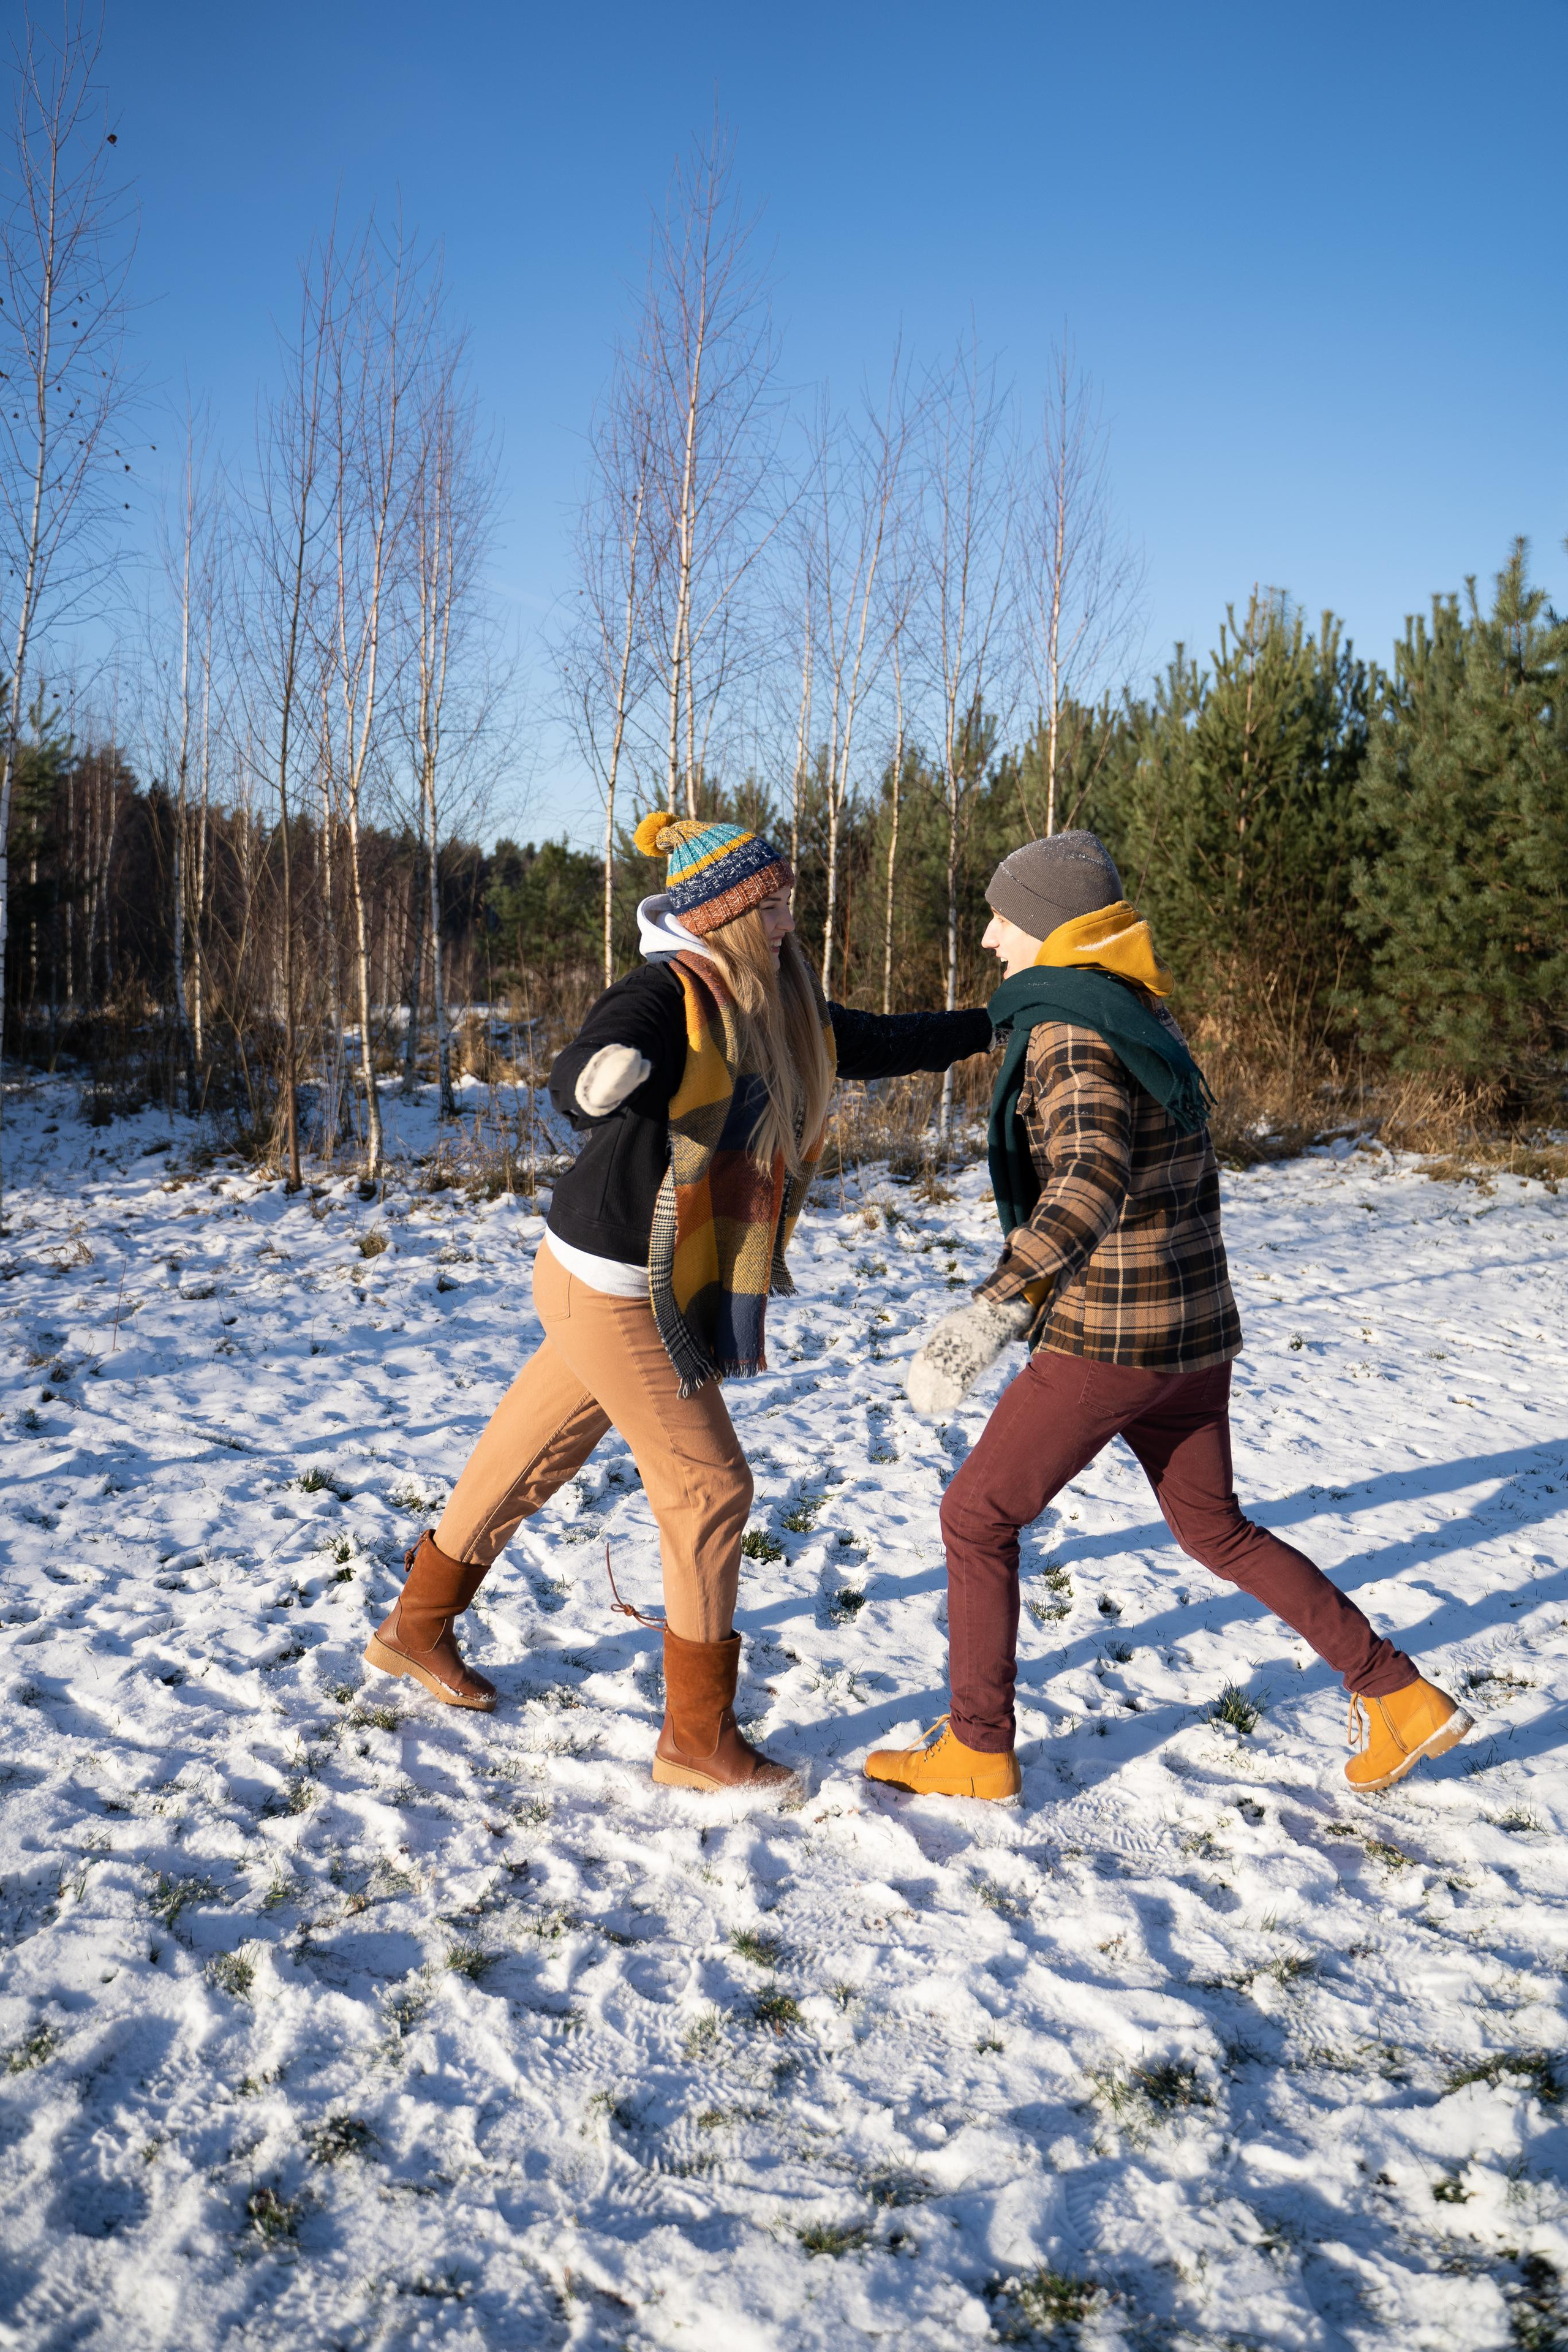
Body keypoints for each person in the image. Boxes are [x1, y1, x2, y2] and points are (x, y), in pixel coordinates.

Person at [366, 813, 993, 1792]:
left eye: (787, 901)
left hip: (608, 1275)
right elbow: (586, 1067)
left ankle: (415, 1628)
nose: (787, 922)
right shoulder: (670, 992)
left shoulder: (774, 1002)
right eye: (771, 906)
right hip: (612, 1285)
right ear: (727, 913)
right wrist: (596, 1084)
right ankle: (695, 1741)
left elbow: (870, 1039)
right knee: (710, 1489)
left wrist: (994, 1023)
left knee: (532, 1452)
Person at [865, 830, 1471, 1802]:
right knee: (1214, 1529)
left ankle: (977, 1748)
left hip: (1112, 1338)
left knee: (975, 1516)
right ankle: (1397, 1693)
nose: (988, 938)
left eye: (1003, 919)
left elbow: (1088, 1177)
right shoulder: (1134, 1008)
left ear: (1051, 929)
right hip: (1194, 1331)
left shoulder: (1069, 1034)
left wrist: (993, 1309)